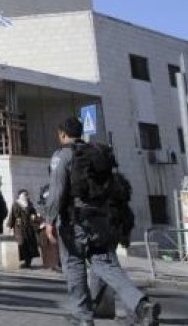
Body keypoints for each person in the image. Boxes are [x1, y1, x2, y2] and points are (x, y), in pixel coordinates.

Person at [44, 117, 160, 326]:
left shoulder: (62, 156)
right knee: (106, 265)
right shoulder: (98, 153)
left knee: (74, 266)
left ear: (62, 134)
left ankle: (83, 318)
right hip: (101, 221)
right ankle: (141, 304)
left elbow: (57, 192)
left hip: (74, 222)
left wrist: (49, 220)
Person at [6, 189, 41, 269]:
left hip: (29, 227)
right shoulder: (16, 204)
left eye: (26, 194)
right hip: (19, 228)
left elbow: (34, 214)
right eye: (24, 194)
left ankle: (28, 262)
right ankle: (25, 261)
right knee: (22, 243)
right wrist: (9, 227)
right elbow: (12, 216)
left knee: (30, 244)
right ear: (20, 195)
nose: (26, 196)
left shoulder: (30, 204)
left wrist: (38, 220)